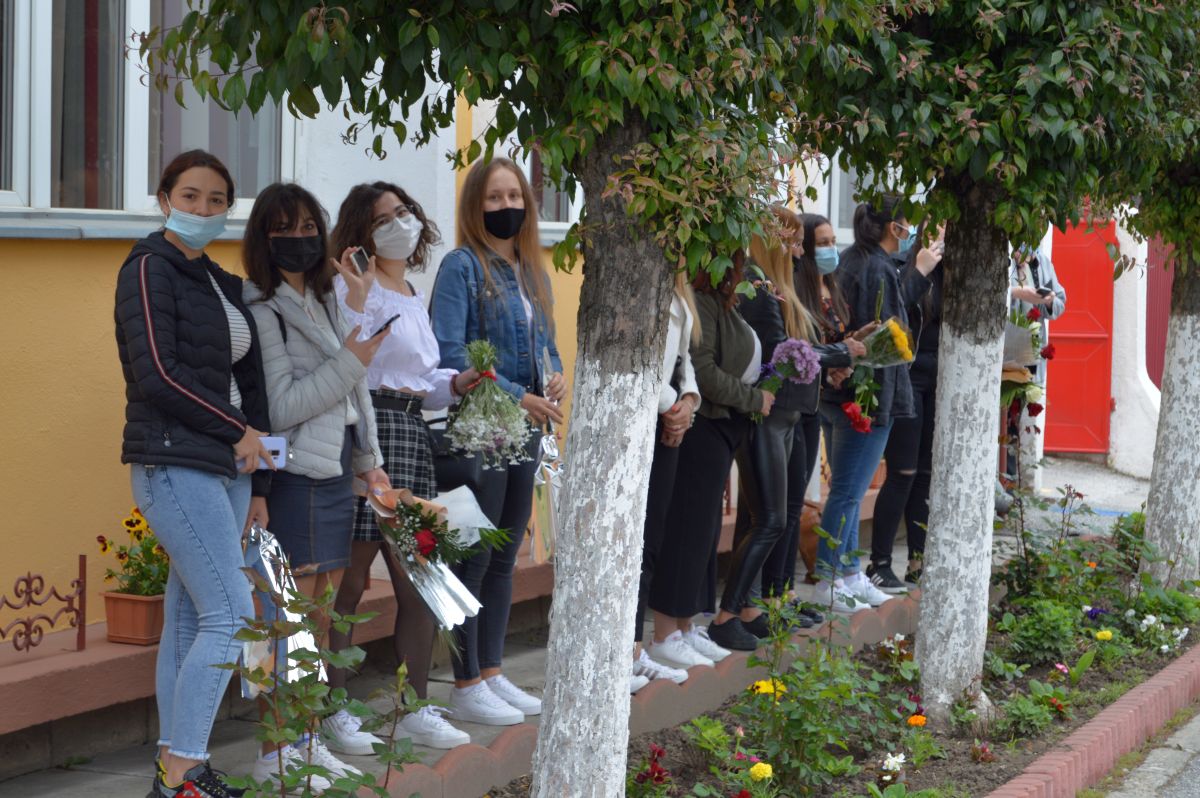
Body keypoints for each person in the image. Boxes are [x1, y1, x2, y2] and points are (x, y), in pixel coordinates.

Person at [117, 149, 274, 798]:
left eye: (216, 200)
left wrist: (260, 480)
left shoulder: (218, 280)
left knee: (188, 619)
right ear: (164, 200)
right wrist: (236, 430)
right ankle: (186, 772)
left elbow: (250, 382)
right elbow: (156, 373)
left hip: (229, 468)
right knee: (231, 614)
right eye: (190, 196)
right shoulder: (147, 268)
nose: (203, 209)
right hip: (175, 460)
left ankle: (172, 770)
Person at [241, 182, 389, 787]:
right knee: (284, 618)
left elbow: (356, 386)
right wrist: (352, 357)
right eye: (284, 229)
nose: (299, 239)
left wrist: (369, 461)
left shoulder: (324, 297)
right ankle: (275, 752)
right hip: (294, 476)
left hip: (334, 471)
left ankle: (305, 737)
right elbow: (281, 407)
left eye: (308, 227)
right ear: (262, 237)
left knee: (318, 619)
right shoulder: (261, 306)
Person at [323, 181, 478, 750]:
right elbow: (346, 356)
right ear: (361, 232)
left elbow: (421, 379)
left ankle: (414, 707)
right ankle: (333, 709)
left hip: (413, 433)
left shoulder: (412, 293)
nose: (399, 223)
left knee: (420, 580)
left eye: (404, 211)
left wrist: (455, 383)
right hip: (370, 431)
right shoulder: (351, 287)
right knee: (351, 580)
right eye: (383, 218)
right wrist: (356, 293)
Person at [430, 157, 566, 726]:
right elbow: (450, 353)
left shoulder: (532, 271)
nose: (506, 206)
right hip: (479, 432)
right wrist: (517, 394)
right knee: (474, 556)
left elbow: (547, 346)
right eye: (493, 197)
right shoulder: (461, 267)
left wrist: (555, 377)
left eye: (514, 196)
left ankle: (491, 671)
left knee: (505, 556)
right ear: (474, 206)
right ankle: (464, 683)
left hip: (526, 432)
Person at [710, 208, 866, 649]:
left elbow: (798, 348)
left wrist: (833, 356)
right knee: (770, 521)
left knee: (768, 519)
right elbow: (784, 352)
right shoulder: (759, 288)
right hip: (768, 415)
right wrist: (839, 353)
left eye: (801, 242)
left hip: (786, 416)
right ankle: (727, 615)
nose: (800, 251)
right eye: (794, 242)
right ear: (772, 242)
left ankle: (749, 608)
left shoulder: (777, 286)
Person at [815, 199, 940, 613]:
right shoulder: (878, 265)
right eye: (906, 224)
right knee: (848, 492)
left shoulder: (853, 258)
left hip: (842, 390)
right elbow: (890, 323)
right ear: (894, 228)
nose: (909, 232)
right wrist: (919, 273)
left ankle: (850, 572)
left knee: (847, 490)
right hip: (867, 394)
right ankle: (831, 576)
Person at [647, 252, 772, 657]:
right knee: (686, 529)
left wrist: (689, 397)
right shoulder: (698, 298)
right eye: (737, 263)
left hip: (708, 419)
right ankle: (666, 633)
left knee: (703, 531)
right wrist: (751, 398)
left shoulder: (714, 302)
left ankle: (685, 625)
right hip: (701, 426)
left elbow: (690, 367)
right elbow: (703, 368)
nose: (742, 273)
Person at [630, 269, 719, 689]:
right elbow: (637, 356)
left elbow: (683, 361)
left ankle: (633, 649)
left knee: (652, 539)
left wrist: (688, 400)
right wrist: (671, 405)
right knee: (637, 541)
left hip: (667, 417)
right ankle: (628, 649)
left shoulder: (679, 288)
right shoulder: (641, 275)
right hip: (641, 418)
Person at [868, 223, 945, 591]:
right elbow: (893, 313)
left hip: (939, 377)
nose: (943, 237)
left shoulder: (956, 273)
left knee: (926, 473)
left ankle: (918, 559)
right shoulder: (902, 265)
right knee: (903, 471)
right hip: (908, 376)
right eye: (937, 228)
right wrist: (921, 270)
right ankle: (880, 562)